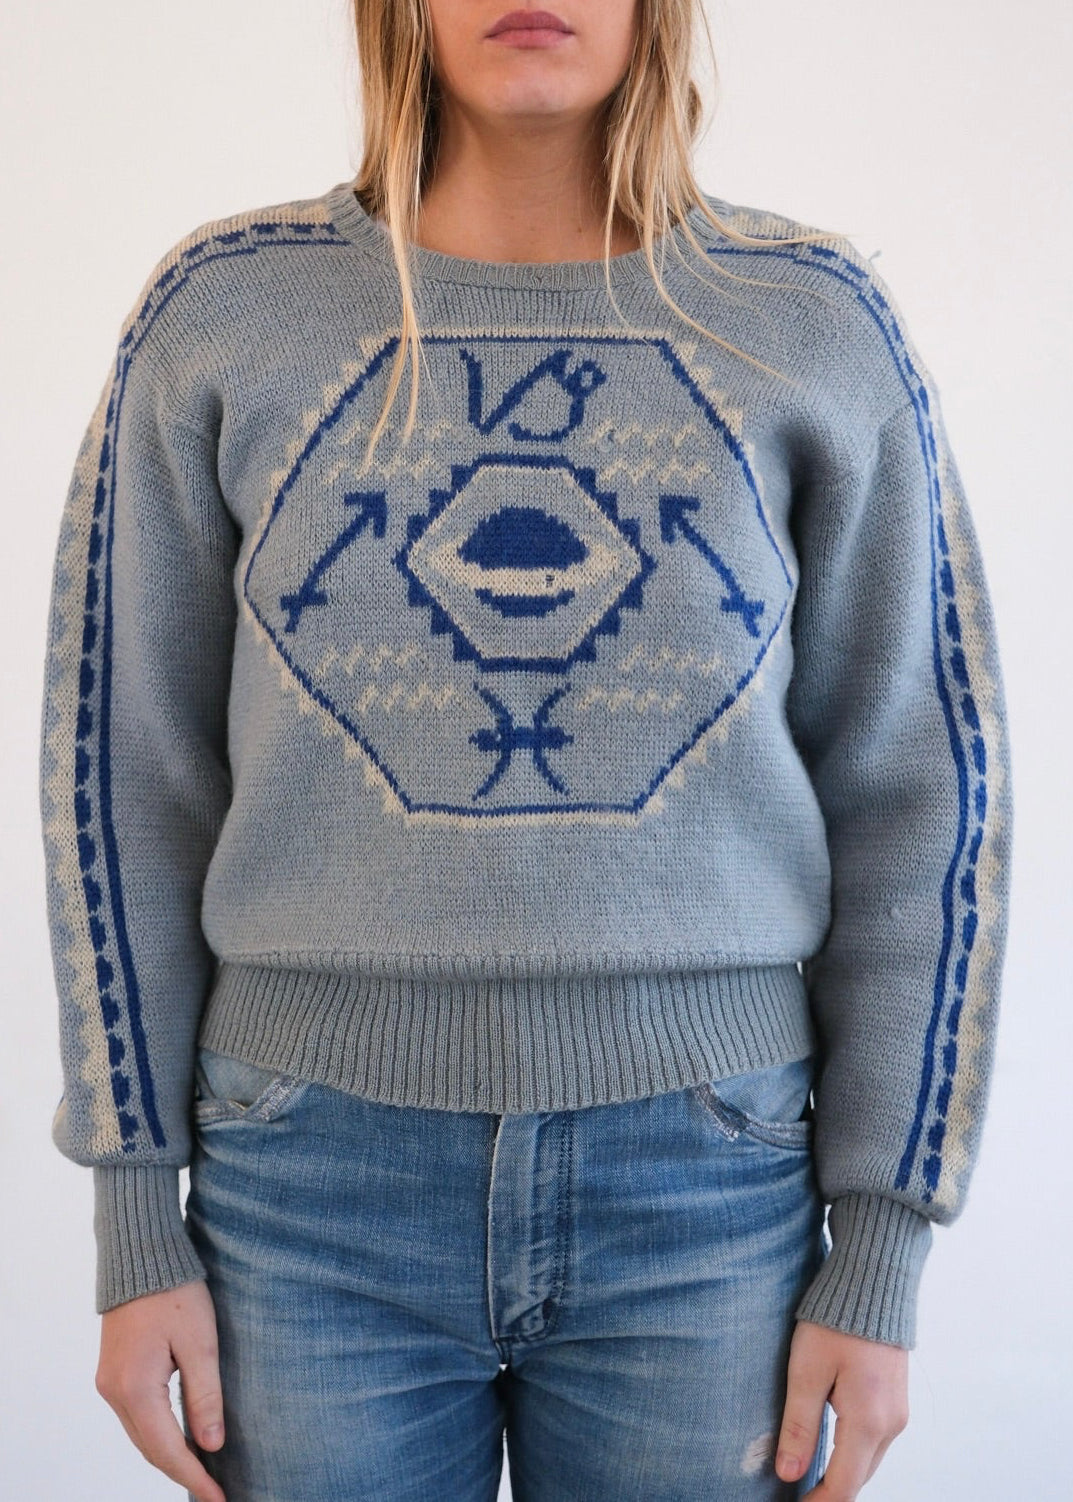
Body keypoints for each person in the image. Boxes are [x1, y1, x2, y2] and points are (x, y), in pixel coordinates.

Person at [38, 3, 1012, 1499]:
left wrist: (881, 1244)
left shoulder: (804, 322)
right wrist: (131, 1213)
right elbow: (121, 781)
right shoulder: (227, 313)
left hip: (708, 1189)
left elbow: (922, 795)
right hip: (302, 1190)